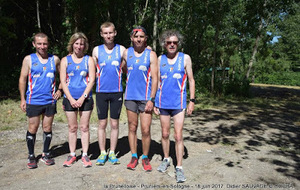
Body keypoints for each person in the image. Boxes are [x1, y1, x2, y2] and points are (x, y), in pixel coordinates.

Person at [153, 30, 195, 183]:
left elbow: (191, 80)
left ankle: (179, 167)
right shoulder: (159, 59)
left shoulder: (185, 58)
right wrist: (154, 101)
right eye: (169, 42)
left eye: (175, 42)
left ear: (178, 44)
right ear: (164, 44)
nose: (172, 45)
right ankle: (166, 158)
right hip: (163, 103)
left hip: (178, 103)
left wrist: (192, 101)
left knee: (177, 135)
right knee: (164, 134)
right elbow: (156, 81)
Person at [19, 32, 62, 169]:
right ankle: (31, 155)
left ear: (48, 44)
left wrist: (60, 90)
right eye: (39, 44)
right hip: (33, 100)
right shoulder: (28, 59)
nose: (42, 46)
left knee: (47, 127)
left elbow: (64, 75)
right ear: (34, 44)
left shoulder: (54, 59)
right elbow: (22, 79)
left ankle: (46, 153)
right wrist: (22, 99)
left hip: (49, 100)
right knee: (33, 128)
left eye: (44, 44)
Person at [121, 26, 158, 172]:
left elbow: (155, 78)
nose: (138, 39)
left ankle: (145, 157)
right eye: (136, 36)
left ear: (146, 39)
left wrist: (152, 99)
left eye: (141, 37)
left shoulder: (151, 54)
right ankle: (134, 156)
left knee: (145, 129)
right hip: (130, 96)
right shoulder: (126, 53)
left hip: (145, 98)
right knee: (132, 127)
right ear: (131, 38)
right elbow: (123, 68)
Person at [92, 22, 126, 165]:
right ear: (101, 34)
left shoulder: (122, 50)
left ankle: (112, 152)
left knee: (114, 124)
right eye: (105, 33)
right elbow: (91, 71)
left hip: (117, 91)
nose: (108, 35)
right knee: (101, 123)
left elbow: (126, 68)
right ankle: (102, 152)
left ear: (115, 33)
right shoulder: (96, 50)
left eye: (110, 33)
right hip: (101, 91)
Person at [60, 32, 95, 168]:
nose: (79, 46)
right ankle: (72, 154)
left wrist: (82, 98)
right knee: (72, 127)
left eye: (81, 44)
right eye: (76, 43)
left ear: (85, 45)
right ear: (72, 44)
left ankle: (85, 155)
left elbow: (92, 80)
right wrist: (70, 98)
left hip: (85, 98)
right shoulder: (65, 60)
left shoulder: (89, 60)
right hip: (69, 98)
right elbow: (62, 81)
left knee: (84, 127)